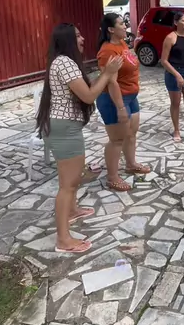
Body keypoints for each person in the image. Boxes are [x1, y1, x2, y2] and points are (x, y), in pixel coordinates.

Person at [36, 23, 123, 253]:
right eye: (77, 35)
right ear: (67, 40)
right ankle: (63, 239)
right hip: (65, 130)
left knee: (71, 179)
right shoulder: (64, 62)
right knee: (68, 184)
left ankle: (72, 211)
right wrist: (107, 73)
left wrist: (105, 75)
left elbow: (85, 88)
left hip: (65, 127)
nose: (82, 38)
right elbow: (88, 96)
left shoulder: (63, 62)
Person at [96, 13, 151, 191]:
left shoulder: (121, 43)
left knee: (131, 133)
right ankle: (112, 178)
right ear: (111, 29)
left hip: (130, 96)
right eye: (121, 23)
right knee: (116, 140)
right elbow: (111, 82)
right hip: (114, 99)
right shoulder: (107, 51)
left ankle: (130, 164)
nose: (125, 25)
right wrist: (120, 108)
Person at [161, 12, 184, 143]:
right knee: (175, 103)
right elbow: (164, 61)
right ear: (176, 23)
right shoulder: (170, 38)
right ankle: (176, 130)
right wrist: (177, 75)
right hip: (173, 73)